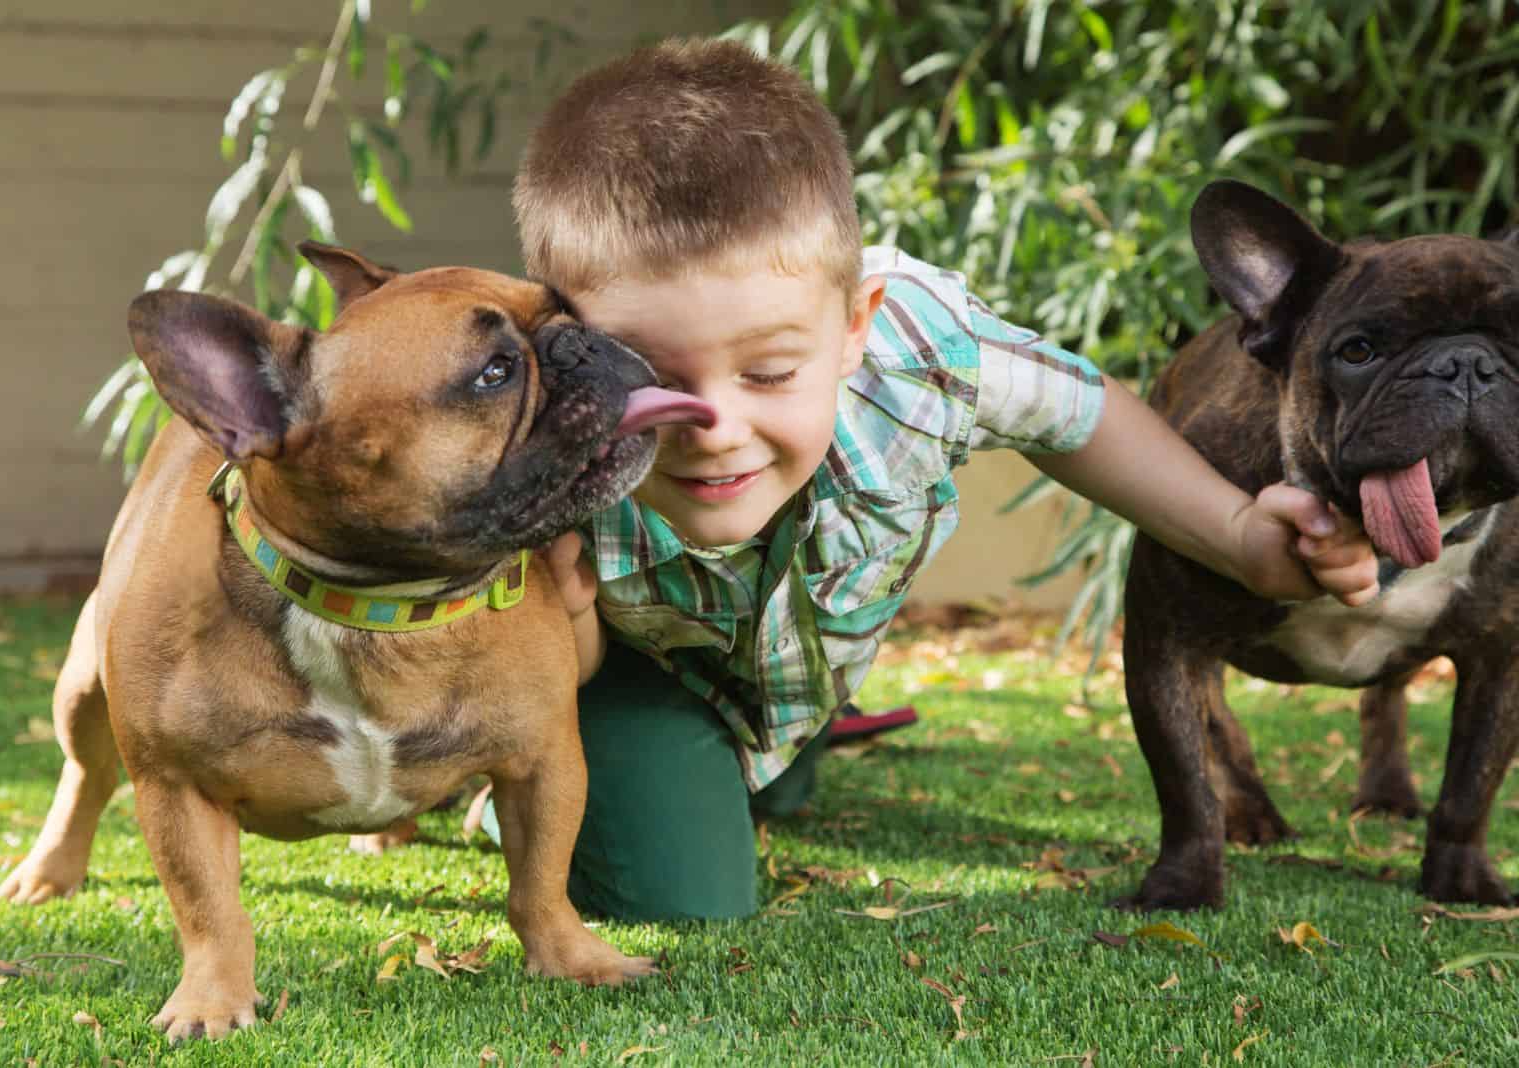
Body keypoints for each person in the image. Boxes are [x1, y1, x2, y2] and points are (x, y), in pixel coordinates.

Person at [509, 38, 1378, 921]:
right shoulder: (536, 444)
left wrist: (1236, 536)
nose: (716, 431)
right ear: (567, 350)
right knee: (681, 902)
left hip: (800, 663)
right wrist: (570, 623)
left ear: (854, 327)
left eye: (769, 374)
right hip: (634, 674)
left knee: (772, 790)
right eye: (649, 379)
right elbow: (523, 646)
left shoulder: (916, 355)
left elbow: (1079, 417)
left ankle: (784, 744)